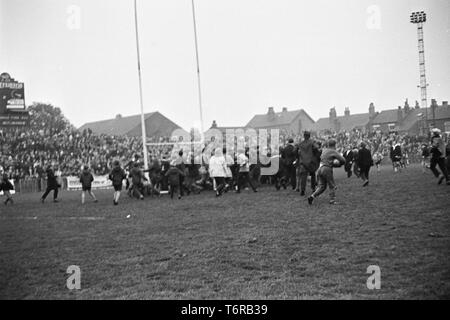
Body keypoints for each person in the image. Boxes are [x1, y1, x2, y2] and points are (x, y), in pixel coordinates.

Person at [308, 139, 345, 205]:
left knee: (322, 186)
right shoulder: (333, 151)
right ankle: (332, 200)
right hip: (327, 169)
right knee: (332, 185)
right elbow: (343, 160)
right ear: (334, 144)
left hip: (320, 168)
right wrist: (338, 164)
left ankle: (312, 196)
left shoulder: (324, 151)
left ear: (328, 144)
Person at [297, 131, 319, 196]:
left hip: (303, 162)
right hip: (310, 161)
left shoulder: (300, 144)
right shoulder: (312, 142)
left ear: (304, 136)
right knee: (313, 175)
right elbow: (316, 148)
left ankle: (302, 190)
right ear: (309, 136)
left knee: (303, 177)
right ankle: (313, 188)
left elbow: (295, 151)